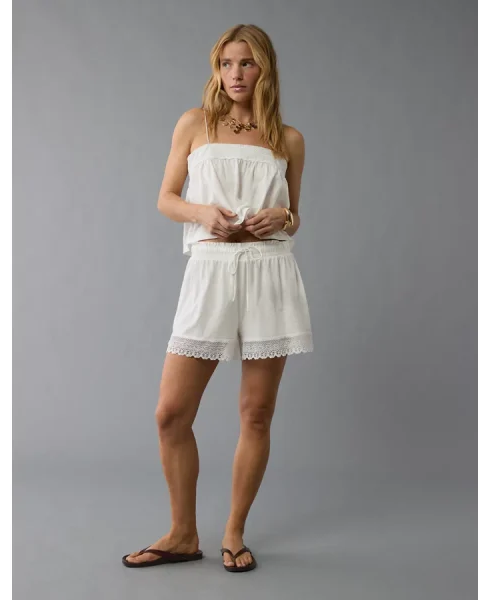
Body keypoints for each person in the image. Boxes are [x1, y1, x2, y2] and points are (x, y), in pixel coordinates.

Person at [122, 23, 313, 573]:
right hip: (209, 273)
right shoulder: (195, 124)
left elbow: (295, 215)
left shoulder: (288, 139)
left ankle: (233, 532)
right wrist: (202, 212)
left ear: (264, 69)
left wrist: (283, 216)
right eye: (226, 63)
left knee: (256, 413)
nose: (235, 74)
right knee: (171, 414)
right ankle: (182, 534)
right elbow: (166, 198)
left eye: (246, 63)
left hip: (268, 273)